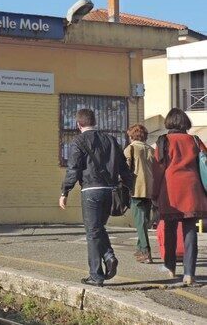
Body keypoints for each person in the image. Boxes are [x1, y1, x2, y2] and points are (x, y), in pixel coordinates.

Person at [59, 109, 133, 287]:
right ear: (94, 121)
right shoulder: (111, 139)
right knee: (98, 228)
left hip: (91, 191)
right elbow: (123, 167)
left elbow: (73, 169)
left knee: (92, 233)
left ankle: (96, 275)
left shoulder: (78, 141)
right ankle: (108, 256)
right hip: (110, 191)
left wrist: (65, 191)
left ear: (78, 124)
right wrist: (129, 188)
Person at [153, 108, 207, 286]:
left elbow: (158, 168)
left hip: (171, 189)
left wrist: (154, 194)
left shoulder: (164, 141)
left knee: (169, 229)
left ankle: (170, 267)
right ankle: (189, 273)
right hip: (192, 189)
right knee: (190, 231)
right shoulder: (195, 140)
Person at [124, 124, 155, 264]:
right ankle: (139, 248)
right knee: (143, 221)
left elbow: (125, 169)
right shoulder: (151, 149)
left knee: (140, 222)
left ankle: (145, 251)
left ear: (131, 136)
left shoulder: (130, 148)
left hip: (136, 189)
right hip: (150, 189)